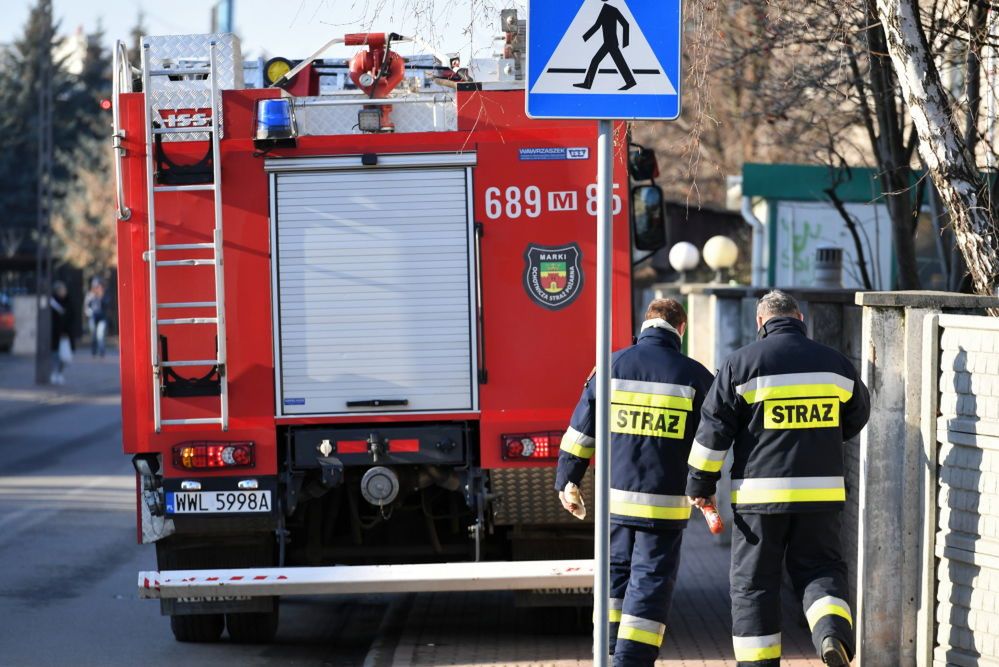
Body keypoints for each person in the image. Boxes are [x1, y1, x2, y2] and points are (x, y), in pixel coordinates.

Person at [686, 290, 871, 667]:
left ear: (760, 323)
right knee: (820, 570)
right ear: (799, 319)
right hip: (821, 496)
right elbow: (856, 415)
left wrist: (700, 487)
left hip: (758, 502)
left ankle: (759, 664)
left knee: (755, 585)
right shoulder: (835, 364)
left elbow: (713, 433)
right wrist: (822, 439)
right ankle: (832, 634)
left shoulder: (741, 364)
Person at [555, 298, 714, 666]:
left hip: (615, 502)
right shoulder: (695, 376)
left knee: (616, 572)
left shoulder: (609, 367)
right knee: (651, 580)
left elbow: (580, 434)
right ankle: (632, 659)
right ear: (682, 328)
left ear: (646, 324)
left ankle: (610, 648)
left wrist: (568, 480)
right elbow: (711, 440)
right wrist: (704, 489)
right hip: (665, 506)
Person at [574, 0, 637, 91]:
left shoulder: (611, 9)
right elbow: (597, 25)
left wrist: (625, 43)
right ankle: (587, 84)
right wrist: (584, 38)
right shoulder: (605, 9)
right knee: (614, 62)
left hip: (611, 43)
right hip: (608, 43)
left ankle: (587, 84)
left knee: (603, 61)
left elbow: (625, 24)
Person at [49, 280, 75, 385]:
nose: (63, 292)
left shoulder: (69, 302)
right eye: (61, 290)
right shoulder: (52, 303)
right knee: (55, 356)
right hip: (55, 335)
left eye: (64, 290)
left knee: (64, 357)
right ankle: (54, 373)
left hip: (65, 335)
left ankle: (59, 373)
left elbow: (72, 317)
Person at [84, 278, 109, 357]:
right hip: (93, 317)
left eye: (99, 285)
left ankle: (102, 351)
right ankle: (94, 351)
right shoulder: (90, 295)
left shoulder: (104, 294)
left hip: (102, 317)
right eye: (96, 286)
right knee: (94, 335)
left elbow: (108, 305)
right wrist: (90, 312)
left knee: (100, 334)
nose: (97, 287)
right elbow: (86, 307)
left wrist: (101, 296)